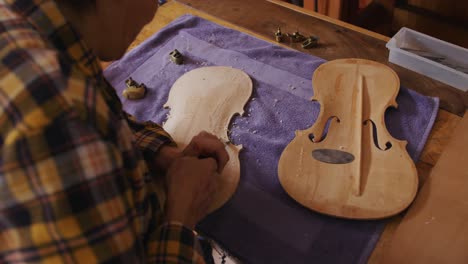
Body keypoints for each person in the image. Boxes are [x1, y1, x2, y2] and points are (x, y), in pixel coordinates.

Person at [0, 0, 229, 263]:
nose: (153, 11)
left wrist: (160, 153)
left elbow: (90, 112)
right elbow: (70, 119)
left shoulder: (20, 22)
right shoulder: (60, 120)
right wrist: (181, 216)